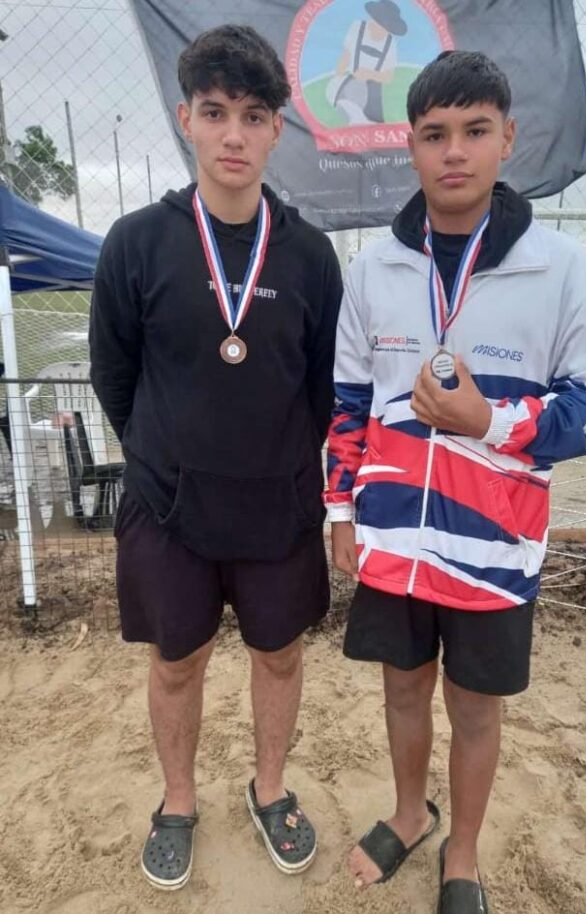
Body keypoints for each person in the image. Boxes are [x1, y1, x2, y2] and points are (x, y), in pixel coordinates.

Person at [326, 50, 586, 913]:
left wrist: (489, 424)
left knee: (478, 708)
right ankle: (409, 814)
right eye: (434, 135)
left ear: (507, 140)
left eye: (475, 131)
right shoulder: (375, 268)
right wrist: (342, 508)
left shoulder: (559, 268)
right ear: (411, 149)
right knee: (402, 688)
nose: (454, 152)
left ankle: (463, 853)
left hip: (493, 546)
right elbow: (348, 401)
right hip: (393, 540)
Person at [90, 24, 342, 891]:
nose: (234, 134)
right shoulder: (135, 243)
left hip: (277, 508)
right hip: (169, 507)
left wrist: (275, 464)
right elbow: (113, 376)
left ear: (277, 130)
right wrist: (166, 458)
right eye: (215, 112)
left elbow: (321, 388)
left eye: (253, 115)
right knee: (176, 661)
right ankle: (178, 802)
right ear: (186, 120)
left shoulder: (309, 256)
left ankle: (270, 789)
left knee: (280, 655)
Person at [327, 0, 407, 124]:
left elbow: (388, 77)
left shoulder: (390, 43)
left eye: (387, 29)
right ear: (374, 20)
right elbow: (345, 57)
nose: (383, 31)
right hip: (350, 82)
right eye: (381, 25)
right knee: (347, 111)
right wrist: (337, 78)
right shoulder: (357, 28)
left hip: (373, 91)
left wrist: (370, 74)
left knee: (374, 125)